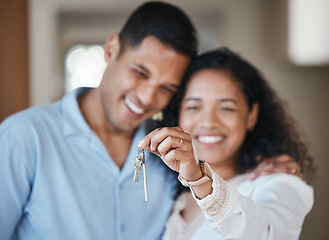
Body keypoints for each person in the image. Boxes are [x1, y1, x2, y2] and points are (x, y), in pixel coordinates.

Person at [0, 2, 197, 240]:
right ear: (111, 49)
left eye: (166, 88)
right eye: (140, 73)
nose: (147, 98)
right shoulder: (23, 136)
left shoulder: (172, 154)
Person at [138, 47, 315, 239]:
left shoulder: (281, 183)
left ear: (251, 116)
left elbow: (264, 234)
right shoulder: (171, 192)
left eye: (226, 108)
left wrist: (200, 178)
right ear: (178, 113)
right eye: (193, 106)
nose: (208, 122)